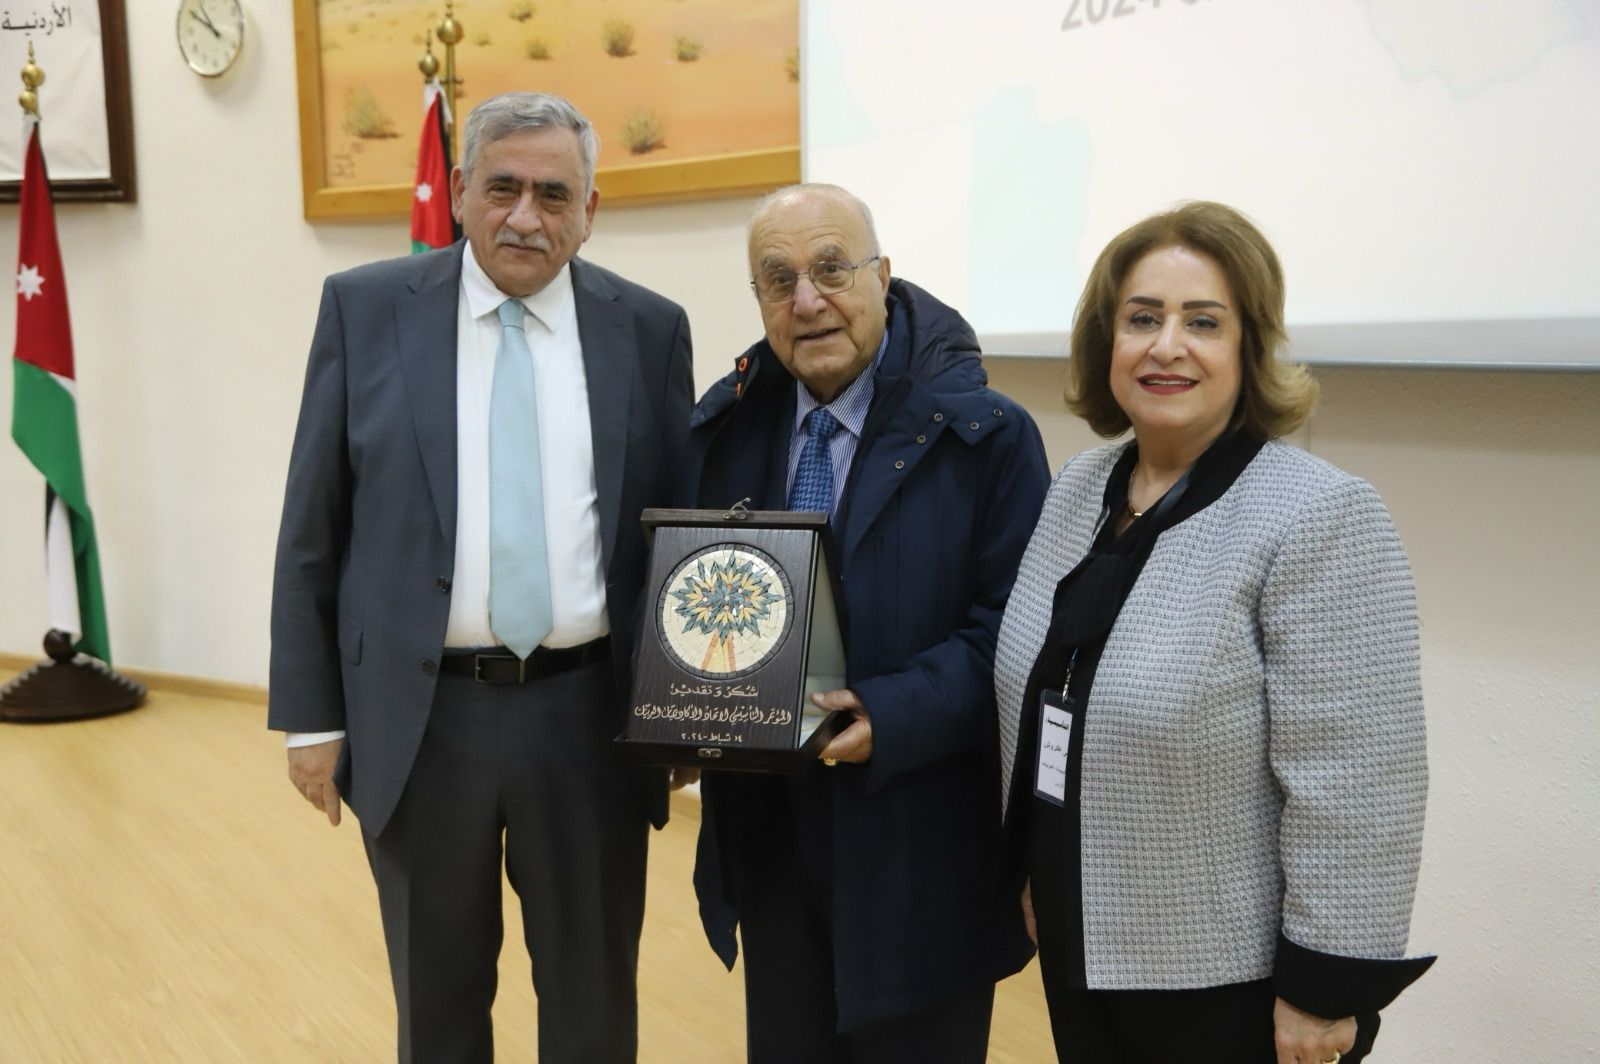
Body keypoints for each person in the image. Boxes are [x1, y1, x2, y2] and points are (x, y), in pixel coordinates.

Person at [268, 93, 693, 1063]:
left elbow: (672, 532)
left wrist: (679, 707)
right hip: (423, 722)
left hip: (588, 720)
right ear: (459, 190)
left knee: (592, 1003)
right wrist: (311, 717)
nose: (525, 217)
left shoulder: (649, 330)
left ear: (591, 210)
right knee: (438, 1002)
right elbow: (311, 529)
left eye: (554, 194)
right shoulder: (367, 310)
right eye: (502, 188)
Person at [993, 201, 1433, 1064]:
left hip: (1227, 980)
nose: (1167, 347)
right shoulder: (1079, 486)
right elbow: (1048, 695)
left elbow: (1362, 783)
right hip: (1084, 935)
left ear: (1249, 347)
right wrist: (1037, 870)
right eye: (1142, 319)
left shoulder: (1317, 514)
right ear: (1106, 341)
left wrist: (1323, 989)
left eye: (1203, 322)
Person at [683, 183, 1051, 1062]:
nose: (807, 300)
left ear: (883, 277)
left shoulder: (988, 438)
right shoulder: (726, 429)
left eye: (831, 269)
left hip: (921, 844)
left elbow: (1015, 633)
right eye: (779, 280)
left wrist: (891, 713)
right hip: (773, 838)